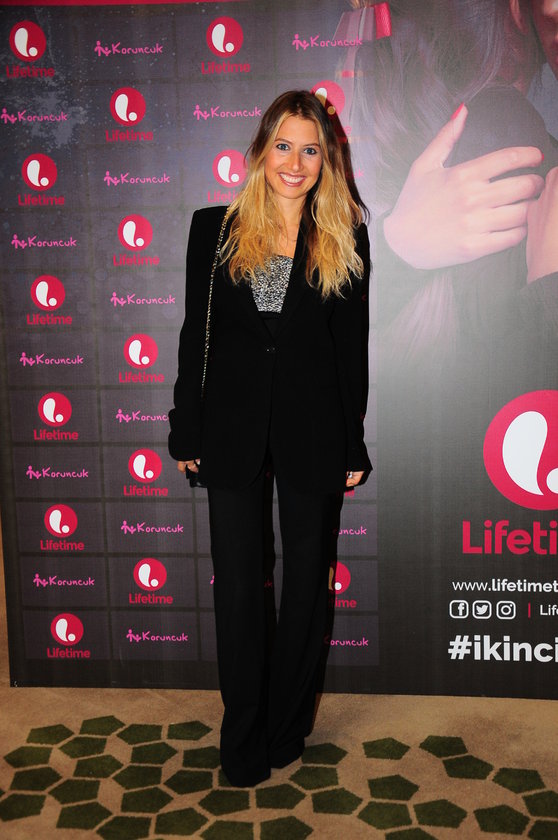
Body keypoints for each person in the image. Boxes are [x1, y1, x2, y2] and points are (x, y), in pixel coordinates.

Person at [168, 90, 371, 787]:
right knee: (238, 589)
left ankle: (287, 729)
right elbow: (196, 336)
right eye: (283, 145)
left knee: (307, 585)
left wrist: (352, 443)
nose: (295, 162)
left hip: (313, 430)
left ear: (326, 160)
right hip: (231, 428)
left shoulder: (344, 236)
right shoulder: (215, 229)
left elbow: (349, 353)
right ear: (260, 151)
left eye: (310, 149)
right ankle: (243, 737)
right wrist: (185, 427)